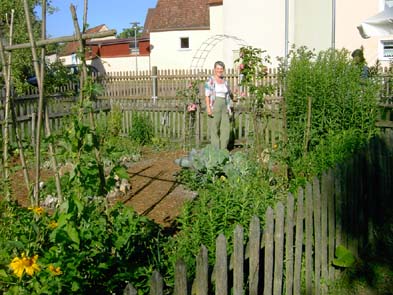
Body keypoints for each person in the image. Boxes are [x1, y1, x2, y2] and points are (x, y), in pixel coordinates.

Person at [205, 61, 233, 150]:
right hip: (215, 105)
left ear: (223, 70)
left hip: (224, 105)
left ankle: (223, 149)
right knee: (214, 128)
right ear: (214, 69)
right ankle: (216, 151)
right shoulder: (211, 80)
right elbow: (207, 95)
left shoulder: (225, 82)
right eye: (218, 68)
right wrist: (208, 108)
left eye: (221, 69)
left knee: (225, 128)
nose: (219, 70)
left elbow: (229, 95)